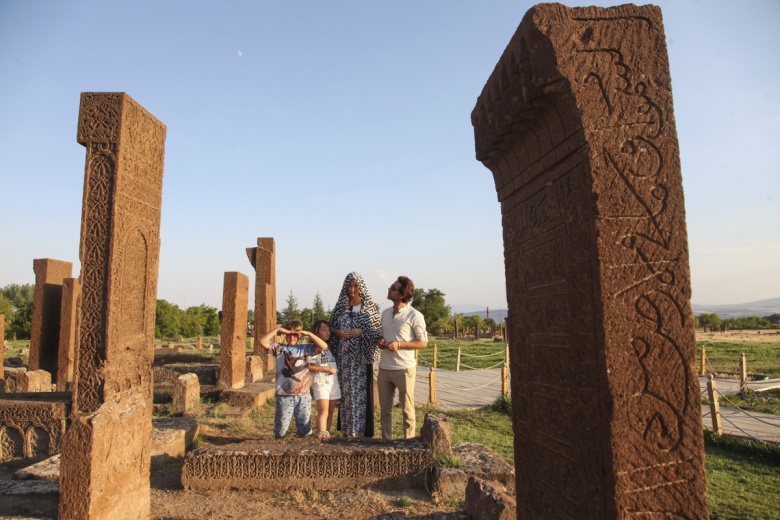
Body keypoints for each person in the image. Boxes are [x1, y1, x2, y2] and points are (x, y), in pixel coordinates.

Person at [329, 272, 381, 437]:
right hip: (343, 359)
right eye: (349, 286)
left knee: (360, 394)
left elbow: (376, 332)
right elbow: (329, 329)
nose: (352, 289)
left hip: (361, 358)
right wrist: (337, 332)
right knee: (345, 395)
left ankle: (361, 431)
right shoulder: (341, 307)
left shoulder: (368, 308)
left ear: (361, 287)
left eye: (355, 286)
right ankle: (346, 430)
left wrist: (361, 331)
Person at [258, 320, 328, 439]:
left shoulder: (306, 349)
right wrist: (277, 330)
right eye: (289, 334)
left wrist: (308, 334)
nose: (292, 337)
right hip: (284, 394)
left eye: (295, 334)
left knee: (304, 429)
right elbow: (262, 342)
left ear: (299, 335)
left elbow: (323, 346)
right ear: (285, 334)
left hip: (303, 395)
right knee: (281, 430)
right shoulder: (280, 348)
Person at [377, 276, 428, 440]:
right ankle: (387, 442)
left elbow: (423, 342)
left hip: (404, 368)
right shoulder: (384, 313)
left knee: (407, 408)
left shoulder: (415, 315)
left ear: (401, 294)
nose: (389, 288)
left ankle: (409, 442)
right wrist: (381, 342)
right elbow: (381, 336)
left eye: (393, 287)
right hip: (384, 368)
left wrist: (399, 345)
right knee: (385, 409)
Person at [308, 320, 341, 439]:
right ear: (316, 333)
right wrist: (324, 368)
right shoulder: (313, 348)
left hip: (333, 382)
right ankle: (321, 434)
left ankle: (327, 433)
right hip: (321, 381)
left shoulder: (331, 347)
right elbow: (308, 366)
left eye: (328, 329)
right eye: (323, 330)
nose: (327, 332)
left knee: (331, 412)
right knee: (323, 411)